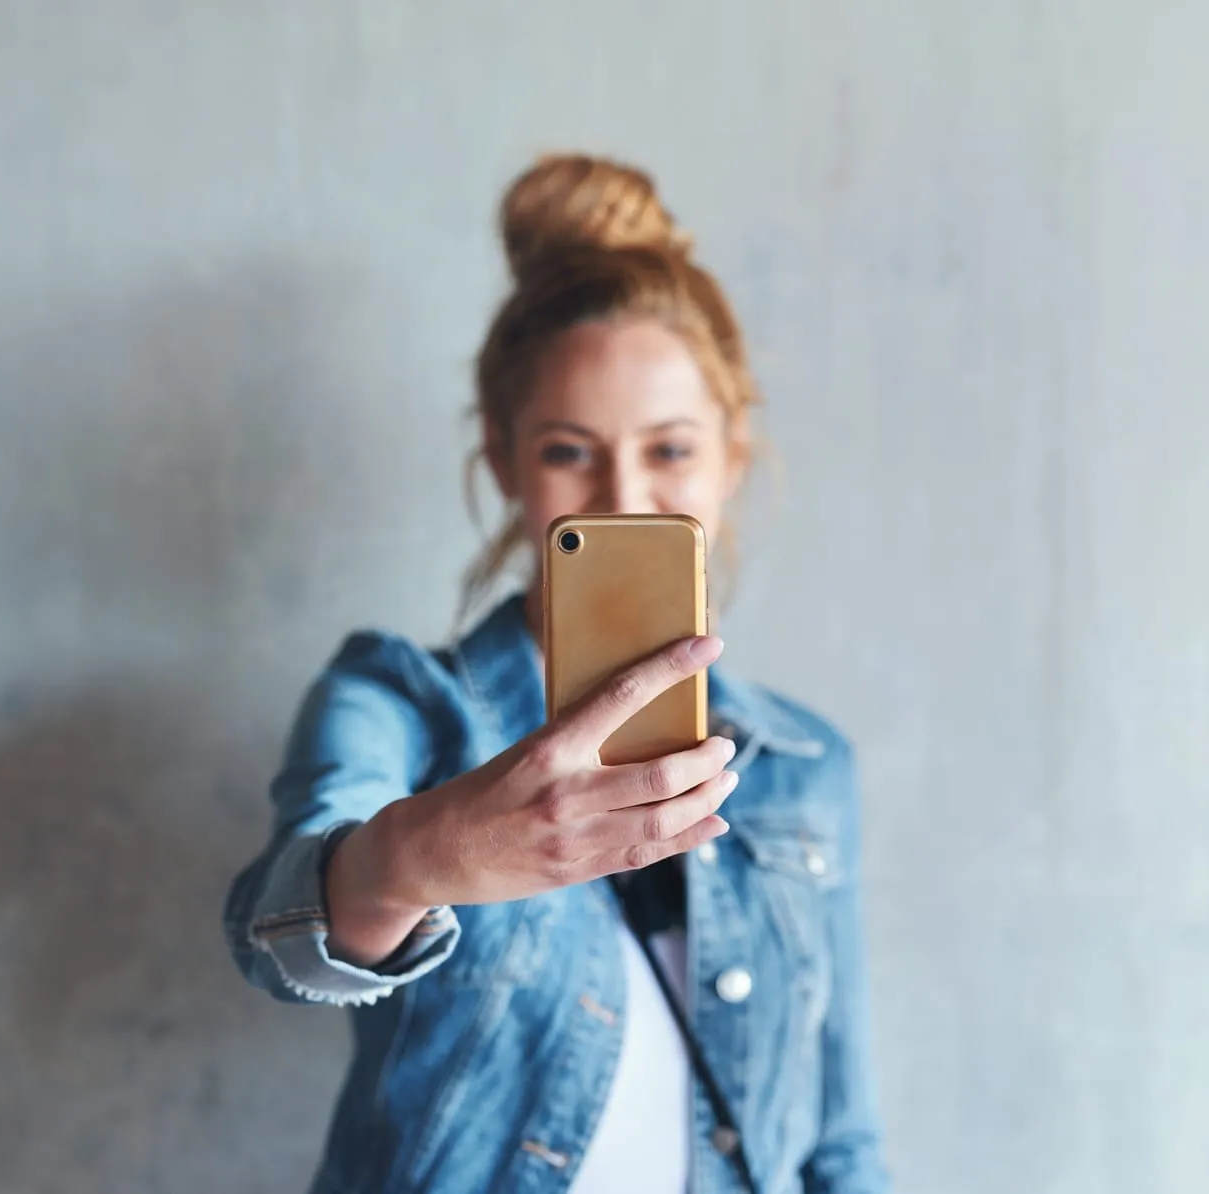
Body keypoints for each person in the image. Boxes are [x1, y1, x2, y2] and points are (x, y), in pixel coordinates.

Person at [223, 152, 890, 1194]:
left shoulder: (807, 770)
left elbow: (839, 1145)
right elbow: (278, 941)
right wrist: (417, 855)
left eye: (669, 450)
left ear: (732, 453)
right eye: (570, 451)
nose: (622, 494)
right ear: (500, 456)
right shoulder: (397, 705)